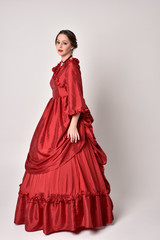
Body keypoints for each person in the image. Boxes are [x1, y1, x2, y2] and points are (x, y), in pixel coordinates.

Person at [14, 29, 114, 235]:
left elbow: (77, 97)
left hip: (67, 118)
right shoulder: (61, 67)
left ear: (73, 46)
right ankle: (49, 215)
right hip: (53, 117)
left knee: (72, 159)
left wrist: (73, 124)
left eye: (65, 43)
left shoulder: (72, 68)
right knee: (43, 152)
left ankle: (74, 216)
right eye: (58, 42)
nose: (60, 46)